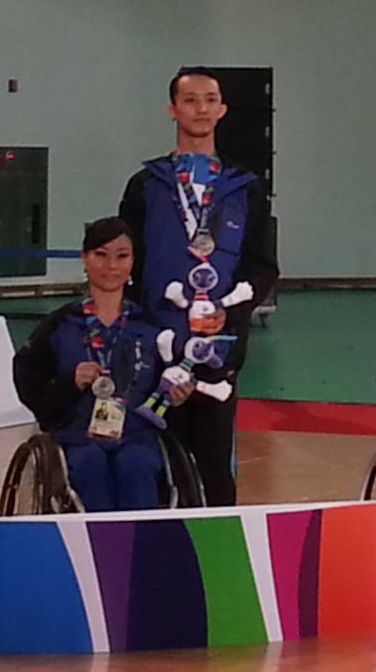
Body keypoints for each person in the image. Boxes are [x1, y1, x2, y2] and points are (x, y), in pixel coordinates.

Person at [119, 66, 278, 506]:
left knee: (214, 477)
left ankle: (216, 564)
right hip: (157, 347)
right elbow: (127, 263)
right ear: (172, 109)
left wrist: (232, 313)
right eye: (190, 100)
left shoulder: (245, 189)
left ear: (222, 109)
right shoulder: (146, 185)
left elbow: (263, 267)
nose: (201, 108)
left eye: (210, 99)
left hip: (216, 352)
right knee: (153, 469)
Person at [12, 218, 194, 511]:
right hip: (77, 435)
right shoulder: (58, 326)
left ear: (133, 262)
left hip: (137, 433)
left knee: (138, 464)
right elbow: (30, 385)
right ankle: (94, 550)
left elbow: (171, 382)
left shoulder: (152, 327)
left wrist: (177, 397)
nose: (112, 265)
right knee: (88, 463)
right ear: (84, 258)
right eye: (101, 254)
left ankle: (138, 548)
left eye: (122, 256)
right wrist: (69, 382)